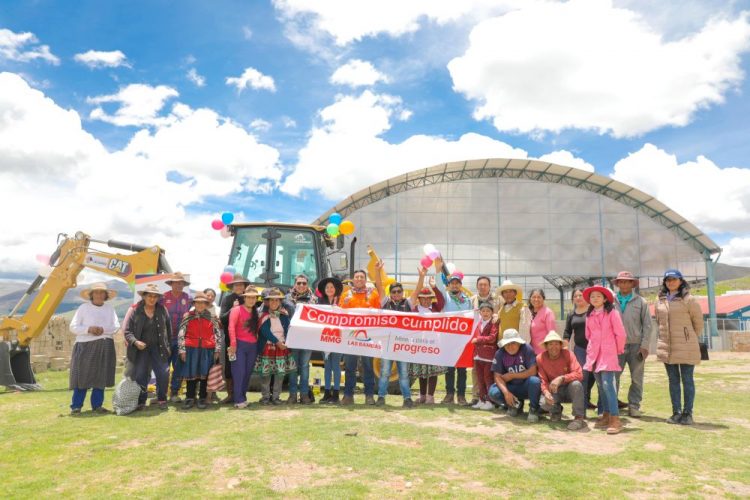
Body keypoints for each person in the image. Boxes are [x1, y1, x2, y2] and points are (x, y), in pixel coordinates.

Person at [655, 269, 703, 426]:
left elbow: (698, 324)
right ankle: (676, 412)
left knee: (687, 379)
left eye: (674, 279)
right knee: (673, 380)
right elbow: (659, 322)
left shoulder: (689, 299)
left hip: (686, 346)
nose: (670, 282)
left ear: (681, 281)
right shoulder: (660, 300)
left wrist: (688, 337)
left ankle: (687, 413)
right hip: (667, 346)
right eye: (667, 279)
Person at [68, 283, 120, 414]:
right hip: (86, 345)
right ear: (91, 295)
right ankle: (76, 405)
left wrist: (103, 330)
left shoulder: (109, 309)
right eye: (96, 292)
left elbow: (116, 326)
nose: (99, 295)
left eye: (102, 292)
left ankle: (97, 405)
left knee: (101, 376)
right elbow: (73, 327)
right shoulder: (83, 308)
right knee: (83, 375)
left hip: (105, 344)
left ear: (105, 295)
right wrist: (88, 329)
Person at [583, 286, 626, 435]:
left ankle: (615, 419)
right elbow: (588, 335)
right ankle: (607, 414)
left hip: (608, 354)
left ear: (605, 299)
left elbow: (620, 333)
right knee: (601, 386)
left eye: (598, 296)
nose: (595, 299)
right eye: (592, 296)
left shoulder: (612, 313)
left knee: (608, 384)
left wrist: (618, 349)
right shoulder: (589, 315)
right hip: (594, 354)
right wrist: (592, 348)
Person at [124, 284, 172, 411]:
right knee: (141, 375)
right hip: (141, 349)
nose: (152, 299)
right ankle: (141, 401)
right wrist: (135, 342)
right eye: (149, 296)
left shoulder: (162, 310)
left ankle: (162, 399)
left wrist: (168, 347)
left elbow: (169, 330)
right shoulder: (136, 311)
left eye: (155, 296)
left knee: (163, 373)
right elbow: (127, 332)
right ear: (144, 296)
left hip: (159, 348)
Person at [373, 260, 414, 408]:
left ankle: (407, 399)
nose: (396, 294)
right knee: (384, 372)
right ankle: (381, 397)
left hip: (402, 345)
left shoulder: (408, 303)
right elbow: (379, 287)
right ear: (390, 294)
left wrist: (422, 276)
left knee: (403, 374)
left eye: (399, 292)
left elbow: (418, 290)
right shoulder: (386, 303)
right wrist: (377, 271)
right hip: (387, 345)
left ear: (402, 293)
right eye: (394, 292)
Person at [612, 271, 653, 417]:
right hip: (616, 347)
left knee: (637, 378)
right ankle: (612, 406)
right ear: (617, 284)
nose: (623, 284)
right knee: (613, 377)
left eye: (627, 281)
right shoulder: (611, 302)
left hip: (636, 346)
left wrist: (645, 345)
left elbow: (648, 325)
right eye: (621, 281)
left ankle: (634, 405)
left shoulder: (641, 302)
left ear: (632, 284)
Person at [433, 257, 472, 405]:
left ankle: (461, 396)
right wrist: (438, 269)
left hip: (462, 340)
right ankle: (449, 394)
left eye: (457, 283)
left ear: (460, 285)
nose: (454, 285)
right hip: (447, 338)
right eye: (452, 283)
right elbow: (438, 284)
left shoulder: (467, 300)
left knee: (462, 368)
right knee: (449, 368)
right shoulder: (445, 297)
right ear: (448, 285)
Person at [339, 269, 380, 406]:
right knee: (350, 367)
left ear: (365, 280)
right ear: (353, 279)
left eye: (362, 277)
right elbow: (339, 314)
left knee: (368, 367)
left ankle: (369, 396)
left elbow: (378, 313)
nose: (359, 279)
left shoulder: (373, 294)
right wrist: (344, 303)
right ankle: (348, 395)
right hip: (350, 338)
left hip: (367, 337)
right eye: (357, 277)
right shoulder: (346, 294)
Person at [177, 292, 222, 410]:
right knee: (190, 374)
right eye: (198, 303)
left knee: (204, 375)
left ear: (206, 304)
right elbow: (181, 333)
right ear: (194, 304)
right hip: (191, 348)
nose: (200, 305)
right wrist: (182, 350)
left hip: (208, 349)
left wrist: (217, 349)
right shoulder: (188, 316)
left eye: (203, 303)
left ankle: (202, 397)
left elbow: (217, 335)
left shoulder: (212, 318)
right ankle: (190, 398)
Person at [408, 271, 447, 404]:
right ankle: (422, 395)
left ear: (431, 298)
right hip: (419, 344)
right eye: (423, 298)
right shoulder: (414, 309)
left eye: (428, 298)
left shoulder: (435, 308)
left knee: (432, 371)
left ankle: (430, 396)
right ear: (419, 299)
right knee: (422, 371)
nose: (426, 300)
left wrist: (434, 287)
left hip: (434, 343)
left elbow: (442, 300)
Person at [487, 328, 542, 422]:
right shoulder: (500, 353)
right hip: (511, 387)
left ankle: (533, 409)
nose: (510, 346)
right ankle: (515, 405)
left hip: (526, 386)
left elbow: (533, 371)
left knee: (535, 381)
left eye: (513, 343)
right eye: (507, 344)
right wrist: (506, 393)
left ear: (519, 343)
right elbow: (497, 376)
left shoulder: (526, 349)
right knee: (493, 391)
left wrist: (512, 375)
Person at [536, 331, 587, 430]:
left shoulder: (569, 354)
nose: (553, 347)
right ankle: (556, 411)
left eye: (556, 344)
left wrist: (562, 378)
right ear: (546, 346)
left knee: (576, 384)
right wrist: (546, 393)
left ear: (560, 345)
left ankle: (578, 417)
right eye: (550, 344)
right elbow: (543, 380)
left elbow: (579, 374)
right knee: (543, 403)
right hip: (554, 391)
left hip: (569, 389)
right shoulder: (540, 358)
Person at [255, 288, 296, 405]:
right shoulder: (263, 316)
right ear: (267, 302)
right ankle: (266, 397)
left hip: (281, 347)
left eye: (276, 301)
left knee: (280, 374)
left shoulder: (284, 315)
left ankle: (276, 397)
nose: (274, 303)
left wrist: (287, 342)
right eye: (271, 300)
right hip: (268, 347)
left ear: (280, 302)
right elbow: (265, 331)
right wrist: (277, 342)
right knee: (266, 374)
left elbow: (288, 329)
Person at [284, 274, 317, 405]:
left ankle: (304, 395)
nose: (301, 285)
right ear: (294, 284)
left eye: (304, 283)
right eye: (299, 283)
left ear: (307, 284)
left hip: (308, 338)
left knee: (304, 367)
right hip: (292, 338)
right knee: (293, 367)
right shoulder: (286, 299)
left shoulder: (314, 300)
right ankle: (292, 395)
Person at [219, 273, 250, 404]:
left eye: (241, 285)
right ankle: (231, 394)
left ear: (244, 286)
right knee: (229, 366)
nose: (238, 287)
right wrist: (233, 309)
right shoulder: (227, 299)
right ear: (232, 286)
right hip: (231, 339)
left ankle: (241, 393)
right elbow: (222, 318)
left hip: (246, 339)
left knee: (244, 367)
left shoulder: (249, 298)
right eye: (236, 285)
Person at [228, 286, 261, 409]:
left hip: (253, 346)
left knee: (247, 373)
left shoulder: (255, 312)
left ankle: (242, 397)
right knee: (239, 372)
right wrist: (233, 344)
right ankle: (238, 399)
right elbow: (231, 327)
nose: (252, 300)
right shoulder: (236, 310)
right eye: (249, 297)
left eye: (254, 298)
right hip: (239, 345)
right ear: (244, 297)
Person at [563, 287, 596, 409]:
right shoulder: (571, 314)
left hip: (595, 348)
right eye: (575, 296)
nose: (578, 298)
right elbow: (567, 332)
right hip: (580, 349)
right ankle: (582, 404)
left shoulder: (593, 310)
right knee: (583, 375)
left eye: (580, 295)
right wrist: (565, 346)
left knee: (594, 376)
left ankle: (587, 399)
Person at [163, 272, 192, 403]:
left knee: (178, 366)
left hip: (181, 338)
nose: (179, 285)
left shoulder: (188, 298)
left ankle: (174, 393)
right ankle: (161, 395)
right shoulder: (163, 297)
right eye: (176, 283)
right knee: (163, 367)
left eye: (181, 283)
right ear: (171, 284)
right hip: (165, 339)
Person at [316, 277, 344, 404]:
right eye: (327, 287)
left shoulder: (342, 301)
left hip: (338, 337)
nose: (329, 289)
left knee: (336, 366)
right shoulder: (319, 302)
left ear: (335, 289)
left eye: (332, 287)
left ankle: (336, 394)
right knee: (327, 366)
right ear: (324, 290)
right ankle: (327, 393)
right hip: (325, 337)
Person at [469, 276, 494, 406]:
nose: (483, 287)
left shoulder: (497, 299)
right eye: (480, 285)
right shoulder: (471, 300)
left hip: (491, 345)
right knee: (476, 371)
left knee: (489, 373)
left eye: (485, 284)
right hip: (475, 343)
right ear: (477, 286)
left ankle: (491, 398)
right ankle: (477, 396)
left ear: (489, 286)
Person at [471, 301, 498, 410]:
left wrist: (478, 339)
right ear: (480, 312)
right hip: (478, 356)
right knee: (480, 379)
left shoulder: (494, 323)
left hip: (488, 356)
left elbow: (492, 338)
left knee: (488, 379)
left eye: (488, 311)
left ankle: (490, 401)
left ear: (492, 312)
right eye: (483, 311)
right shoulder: (478, 323)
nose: (485, 313)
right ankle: (482, 399)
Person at [528, 288, 556, 355]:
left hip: (543, 352)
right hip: (530, 351)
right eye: (534, 297)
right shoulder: (528, 312)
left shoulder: (548, 312)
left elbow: (551, 333)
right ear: (530, 299)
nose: (536, 299)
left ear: (543, 299)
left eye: (539, 297)